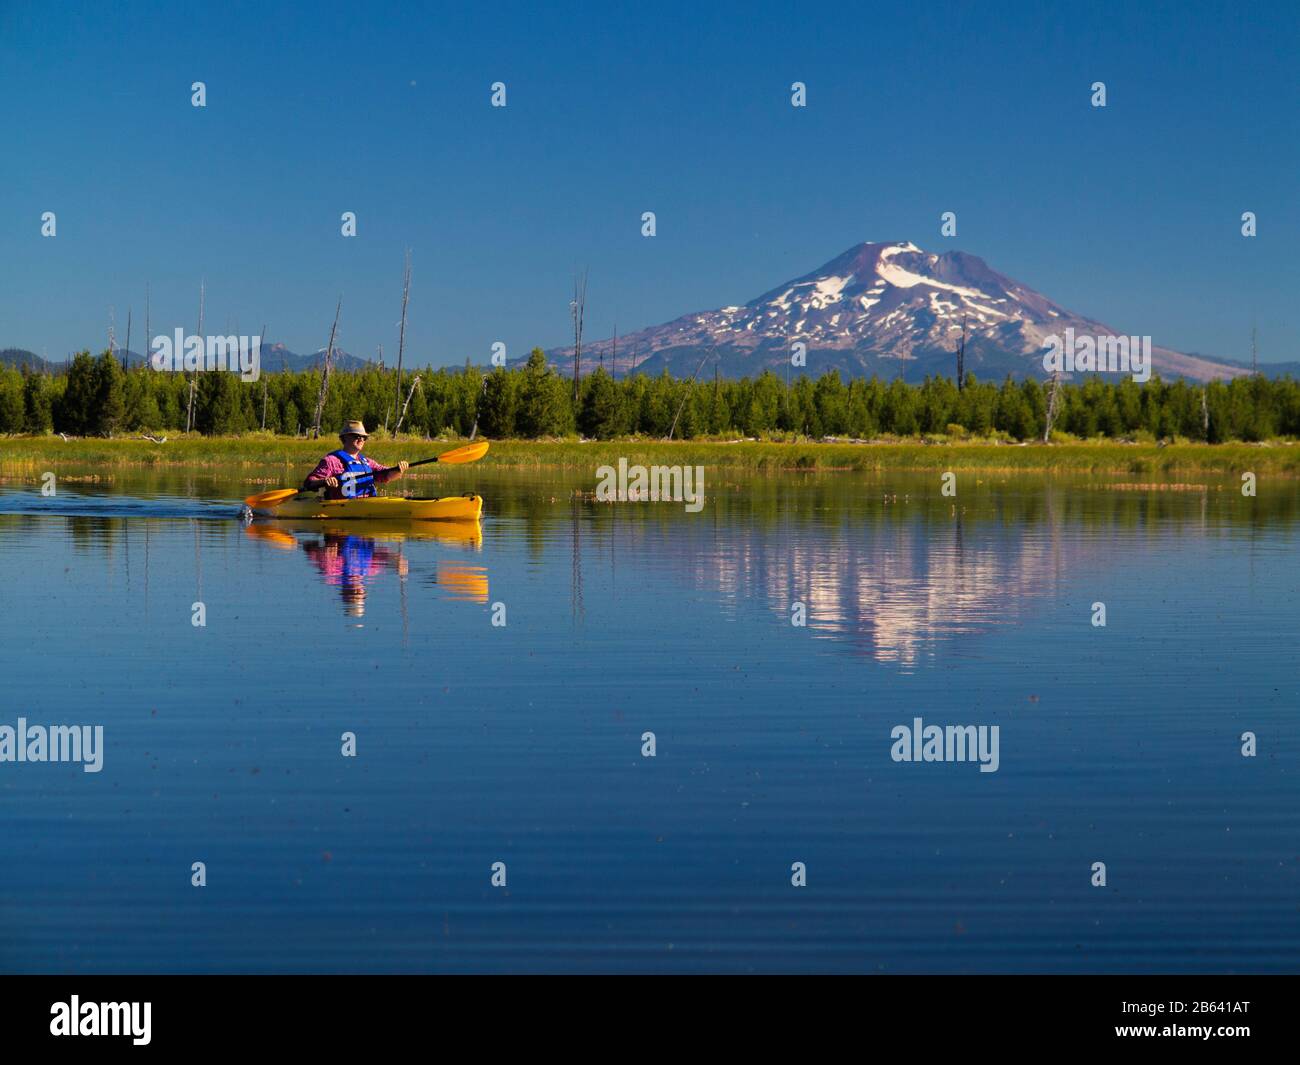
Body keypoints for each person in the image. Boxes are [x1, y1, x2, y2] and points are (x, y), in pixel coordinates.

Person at [303, 421, 409, 499]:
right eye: (356, 436)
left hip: (367, 505)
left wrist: (399, 469)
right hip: (341, 507)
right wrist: (325, 481)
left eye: (364, 437)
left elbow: (387, 476)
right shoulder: (331, 461)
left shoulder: (367, 462)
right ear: (344, 438)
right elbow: (309, 482)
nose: (361, 439)